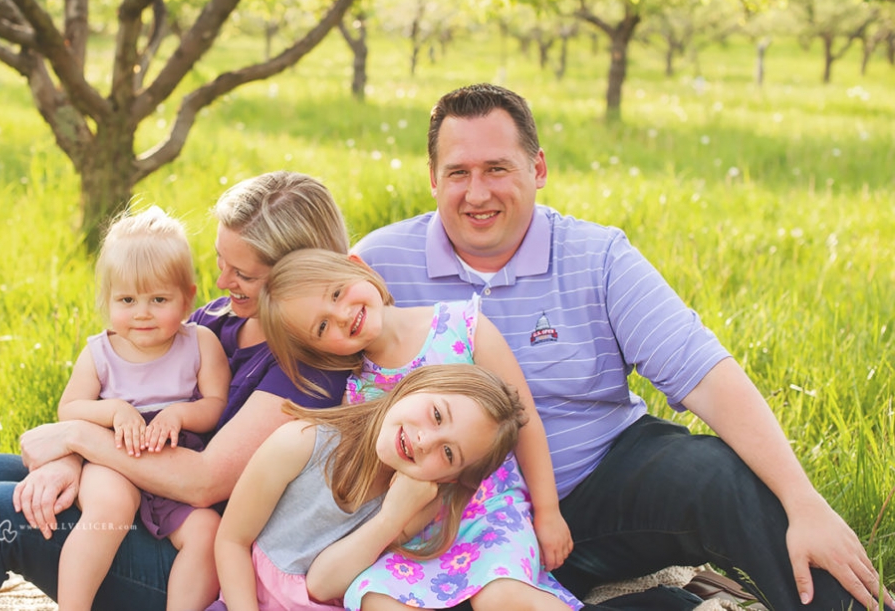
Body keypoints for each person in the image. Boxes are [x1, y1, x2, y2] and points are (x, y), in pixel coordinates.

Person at [351, 83, 894, 611]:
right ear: (431, 178)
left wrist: (804, 502)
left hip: (596, 485)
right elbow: (305, 350)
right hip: (459, 528)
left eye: (497, 169)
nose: (477, 193)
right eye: (458, 173)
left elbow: (704, 372)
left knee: (713, 475)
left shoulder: (597, 255)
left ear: (537, 169)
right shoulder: (380, 264)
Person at [0, 171, 351, 611]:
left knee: (3, 514)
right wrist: (69, 461)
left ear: (299, 274)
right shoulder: (222, 319)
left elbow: (205, 481)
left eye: (243, 275)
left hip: (201, 560)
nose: (223, 283)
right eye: (221, 263)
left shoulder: (306, 369)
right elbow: (128, 390)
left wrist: (77, 440)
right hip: (143, 504)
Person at [259, 249, 581, 611]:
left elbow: (524, 418)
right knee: (372, 597)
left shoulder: (463, 325)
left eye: (336, 294)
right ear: (320, 351)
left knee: (499, 595)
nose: (342, 316)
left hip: (492, 510)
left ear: (359, 266)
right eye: (321, 328)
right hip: (414, 529)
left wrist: (548, 510)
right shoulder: (358, 390)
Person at [214, 364, 546, 611]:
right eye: (436, 415)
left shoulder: (418, 499)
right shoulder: (301, 442)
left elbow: (321, 585)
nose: (424, 440)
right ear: (416, 384)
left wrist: (390, 518)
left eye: (448, 453)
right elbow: (231, 540)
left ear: (450, 479)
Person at [56, 206, 230, 611]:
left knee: (207, 531)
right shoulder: (100, 353)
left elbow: (216, 405)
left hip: (176, 461)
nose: (142, 312)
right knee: (109, 508)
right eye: (127, 299)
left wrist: (179, 414)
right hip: (114, 458)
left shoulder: (200, 343)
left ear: (188, 297)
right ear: (107, 300)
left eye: (159, 298)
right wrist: (114, 410)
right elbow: (70, 409)